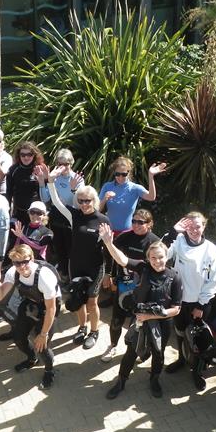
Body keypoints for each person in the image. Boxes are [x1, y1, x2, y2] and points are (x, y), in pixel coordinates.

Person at [100, 225, 183, 400]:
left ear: (166, 256)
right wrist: (108, 242)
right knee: (131, 351)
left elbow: (176, 309)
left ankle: (154, 379)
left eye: (160, 257)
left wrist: (151, 316)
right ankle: (121, 381)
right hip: (139, 319)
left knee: (158, 353)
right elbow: (122, 259)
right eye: (153, 258)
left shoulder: (174, 277)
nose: (157, 261)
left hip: (162, 321)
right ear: (148, 258)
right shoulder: (143, 268)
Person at [46, 166, 110, 350]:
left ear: (94, 200)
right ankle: (82, 328)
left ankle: (94, 331)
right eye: (80, 200)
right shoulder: (74, 216)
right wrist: (50, 181)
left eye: (87, 201)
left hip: (95, 267)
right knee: (78, 299)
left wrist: (109, 274)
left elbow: (108, 249)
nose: (84, 204)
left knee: (92, 302)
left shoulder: (103, 220)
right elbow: (57, 202)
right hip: (76, 265)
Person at [162, 212, 216, 390]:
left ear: (204, 226)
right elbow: (161, 254)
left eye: (198, 226)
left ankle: (197, 370)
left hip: (199, 304)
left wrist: (201, 305)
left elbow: (214, 280)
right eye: (190, 227)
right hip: (179, 301)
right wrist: (173, 233)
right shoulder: (178, 240)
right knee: (180, 332)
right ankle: (181, 359)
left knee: (198, 338)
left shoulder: (211, 249)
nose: (194, 230)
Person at [0, 244, 61, 389]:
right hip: (29, 304)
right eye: (17, 263)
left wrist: (43, 334)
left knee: (42, 346)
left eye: (25, 261)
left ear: (32, 259)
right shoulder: (12, 272)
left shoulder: (44, 276)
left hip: (48, 308)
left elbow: (51, 308)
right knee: (19, 337)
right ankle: (32, 358)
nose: (21, 266)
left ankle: (49, 369)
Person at [100, 209, 160, 363]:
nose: (136, 225)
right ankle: (113, 345)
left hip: (143, 291)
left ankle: (141, 349)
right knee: (116, 321)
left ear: (149, 224)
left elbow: (160, 266)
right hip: (123, 286)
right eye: (134, 221)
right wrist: (110, 274)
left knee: (139, 323)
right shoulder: (125, 236)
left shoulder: (154, 241)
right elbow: (111, 254)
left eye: (141, 222)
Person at [38, 150, 83, 277]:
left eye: (66, 164)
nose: (63, 167)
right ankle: (63, 273)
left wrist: (74, 189)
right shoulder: (54, 177)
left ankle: (71, 275)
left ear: (71, 163)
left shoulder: (77, 178)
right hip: (56, 216)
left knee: (70, 248)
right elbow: (45, 199)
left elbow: (78, 205)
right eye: (60, 164)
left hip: (70, 217)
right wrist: (43, 182)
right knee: (59, 247)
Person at [98, 156, 166, 233]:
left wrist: (151, 176)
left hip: (127, 233)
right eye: (117, 174)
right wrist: (104, 199)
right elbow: (97, 209)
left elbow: (151, 197)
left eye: (124, 174)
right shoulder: (107, 186)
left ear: (128, 173)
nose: (120, 177)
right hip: (109, 231)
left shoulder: (135, 188)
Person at [5, 141, 45, 225]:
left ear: (34, 155)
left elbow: (46, 192)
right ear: (19, 156)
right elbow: (9, 192)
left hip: (36, 213)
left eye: (29, 154)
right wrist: (7, 211)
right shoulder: (13, 170)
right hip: (19, 211)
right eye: (22, 155)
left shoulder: (40, 169)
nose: (26, 157)